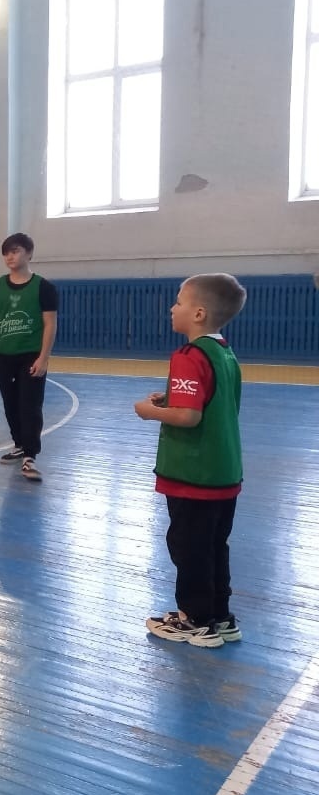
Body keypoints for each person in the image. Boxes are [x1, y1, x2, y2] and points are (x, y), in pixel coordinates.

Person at [134, 273, 247, 649]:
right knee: (214, 545)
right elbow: (210, 403)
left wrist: (150, 411)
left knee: (189, 547)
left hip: (194, 473)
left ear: (198, 313)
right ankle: (220, 616)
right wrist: (171, 400)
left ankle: (194, 620)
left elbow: (189, 416)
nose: (172, 308)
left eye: (179, 302)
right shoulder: (225, 353)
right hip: (224, 470)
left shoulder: (188, 355)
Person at [0, 232, 59, 482]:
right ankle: (20, 444)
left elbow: (50, 324)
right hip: (3, 355)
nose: (9, 257)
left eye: (15, 251)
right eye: (6, 253)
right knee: (10, 404)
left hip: (31, 355)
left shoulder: (44, 287)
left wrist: (43, 358)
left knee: (30, 405)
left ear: (29, 253)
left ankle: (30, 456)